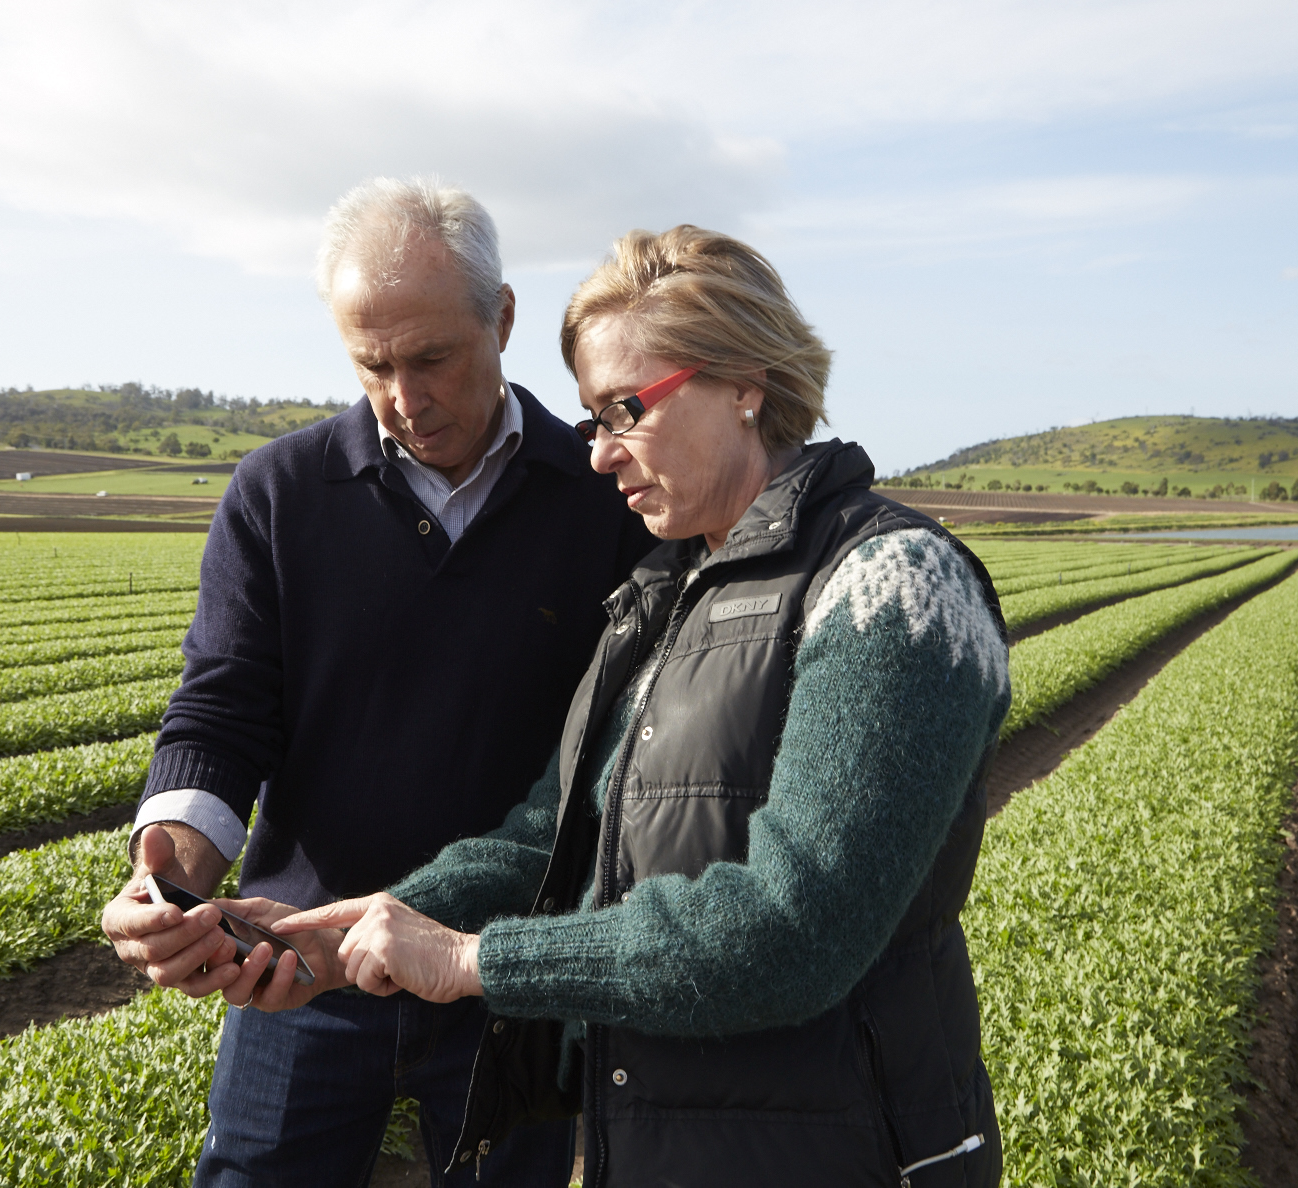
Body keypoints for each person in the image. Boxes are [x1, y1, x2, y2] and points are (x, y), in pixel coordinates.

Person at [264, 225, 1011, 1187]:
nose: (599, 456)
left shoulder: (889, 582)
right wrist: (359, 925)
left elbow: (792, 929)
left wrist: (471, 960)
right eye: (590, 420)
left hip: (844, 1151)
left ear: (743, 381)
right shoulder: (665, 593)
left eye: (626, 410)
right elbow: (549, 839)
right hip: (668, 1140)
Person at [98, 178, 655, 1187]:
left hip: (504, 969)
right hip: (303, 967)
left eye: (432, 358)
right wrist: (167, 878)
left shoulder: (604, 494)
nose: (405, 398)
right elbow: (222, 711)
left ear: (502, 318)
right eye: (373, 365)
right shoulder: (278, 493)